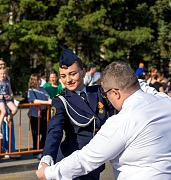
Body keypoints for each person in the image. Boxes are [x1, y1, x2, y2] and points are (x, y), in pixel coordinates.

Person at [36, 60, 171, 180]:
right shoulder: (167, 102)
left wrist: (49, 173)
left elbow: (86, 159)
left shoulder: (123, 121)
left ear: (115, 93)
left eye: (107, 94)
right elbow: (54, 131)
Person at [38, 48, 114, 180]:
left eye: (72, 74)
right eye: (63, 76)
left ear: (83, 71)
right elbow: (54, 131)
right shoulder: (60, 101)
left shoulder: (98, 92)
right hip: (72, 163)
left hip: (95, 161)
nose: (68, 80)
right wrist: (47, 157)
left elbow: (120, 106)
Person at [0, 58, 20, 158]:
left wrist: (11, 98)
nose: (2, 66)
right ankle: (0, 150)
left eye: (3, 64)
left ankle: (10, 150)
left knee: (9, 128)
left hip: (8, 104)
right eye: (0, 64)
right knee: (1, 129)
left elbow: (10, 90)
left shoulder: (7, 77)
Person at [27, 73, 52, 158]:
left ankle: (41, 148)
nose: (40, 81)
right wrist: (47, 102)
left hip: (44, 113)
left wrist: (50, 101)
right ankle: (36, 151)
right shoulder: (31, 90)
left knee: (45, 132)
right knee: (36, 134)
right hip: (34, 114)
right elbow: (34, 101)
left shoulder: (42, 89)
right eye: (39, 79)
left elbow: (48, 97)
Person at [0, 68, 18, 139]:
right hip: (0, 99)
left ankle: (8, 117)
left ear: (6, 74)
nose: (3, 75)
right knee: (3, 111)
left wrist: (11, 96)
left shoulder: (7, 82)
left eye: (4, 74)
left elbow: (10, 91)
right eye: (1, 74)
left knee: (15, 109)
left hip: (7, 99)